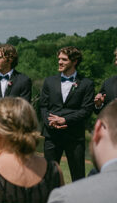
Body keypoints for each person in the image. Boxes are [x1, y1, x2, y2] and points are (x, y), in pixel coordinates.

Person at [38, 45, 95, 181]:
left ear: (74, 61)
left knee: (78, 177)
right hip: (51, 136)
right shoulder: (49, 81)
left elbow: (86, 110)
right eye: (59, 59)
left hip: (74, 136)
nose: (59, 62)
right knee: (49, 176)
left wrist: (65, 120)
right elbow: (42, 106)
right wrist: (51, 122)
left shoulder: (86, 84)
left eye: (64, 59)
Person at [95, 46, 117, 113]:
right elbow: (100, 112)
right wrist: (99, 105)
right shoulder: (108, 83)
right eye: (116, 59)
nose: (116, 63)